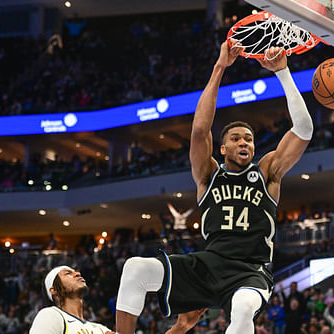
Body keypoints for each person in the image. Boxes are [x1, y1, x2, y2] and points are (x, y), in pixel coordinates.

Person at [115, 40, 313, 334]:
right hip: (208, 265)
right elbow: (198, 130)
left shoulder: (268, 172)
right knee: (135, 268)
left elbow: (303, 130)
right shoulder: (208, 175)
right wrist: (221, 66)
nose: (244, 141)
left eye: (248, 138)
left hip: (250, 270)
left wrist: (283, 72)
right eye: (235, 138)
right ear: (222, 149)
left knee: (245, 309)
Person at [30, 266, 205, 334]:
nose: (77, 273)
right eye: (67, 273)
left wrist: (180, 327)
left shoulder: (98, 328)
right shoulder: (50, 315)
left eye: (76, 271)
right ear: (53, 290)